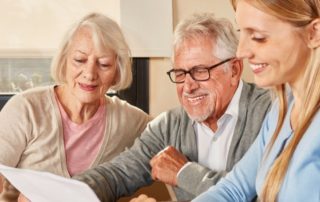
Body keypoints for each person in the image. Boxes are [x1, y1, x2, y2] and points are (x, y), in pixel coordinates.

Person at [74, 13, 271, 202]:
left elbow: (269, 196)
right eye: (180, 73)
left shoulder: (271, 112)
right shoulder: (169, 125)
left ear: (234, 70)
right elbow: (118, 174)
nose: (188, 86)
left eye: (200, 71)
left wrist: (184, 173)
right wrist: (66, 191)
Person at [0, 13, 150, 201]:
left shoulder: (130, 120)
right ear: (64, 61)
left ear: (117, 71)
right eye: (79, 60)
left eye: (104, 64)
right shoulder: (26, 109)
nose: (89, 73)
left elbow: (176, 136)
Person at [193, 0, 320, 201]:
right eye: (241, 32)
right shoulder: (282, 109)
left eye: (259, 37)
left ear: (314, 33)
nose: (241, 52)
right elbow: (233, 189)